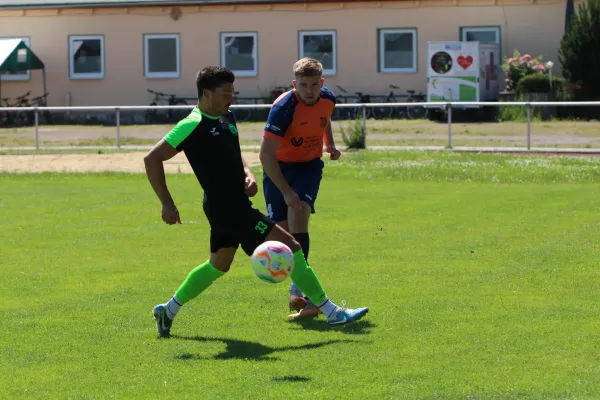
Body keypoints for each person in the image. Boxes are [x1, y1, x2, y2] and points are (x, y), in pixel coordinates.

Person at [144, 66, 368, 338]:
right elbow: (152, 158)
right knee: (292, 245)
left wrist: (248, 175)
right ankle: (333, 313)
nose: (232, 98)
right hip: (229, 209)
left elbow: (235, 155)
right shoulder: (192, 124)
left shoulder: (226, 116)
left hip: (231, 206)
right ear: (207, 93)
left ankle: (167, 310)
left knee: (218, 265)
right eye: (226, 93)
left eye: (233, 92)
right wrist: (167, 203)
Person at [259, 57, 341, 319]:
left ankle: (302, 293)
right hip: (277, 168)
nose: (310, 90)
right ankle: (300, 290)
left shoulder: (328, 98)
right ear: (295, 84)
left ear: (322, 83)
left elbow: (324, 119)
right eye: (304, 85)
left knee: (299, 213)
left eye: (315, 85)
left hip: (308, 166)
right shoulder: (283, 109)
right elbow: (265, 155)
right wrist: (285, 190)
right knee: (282, 234)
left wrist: (329, 145)